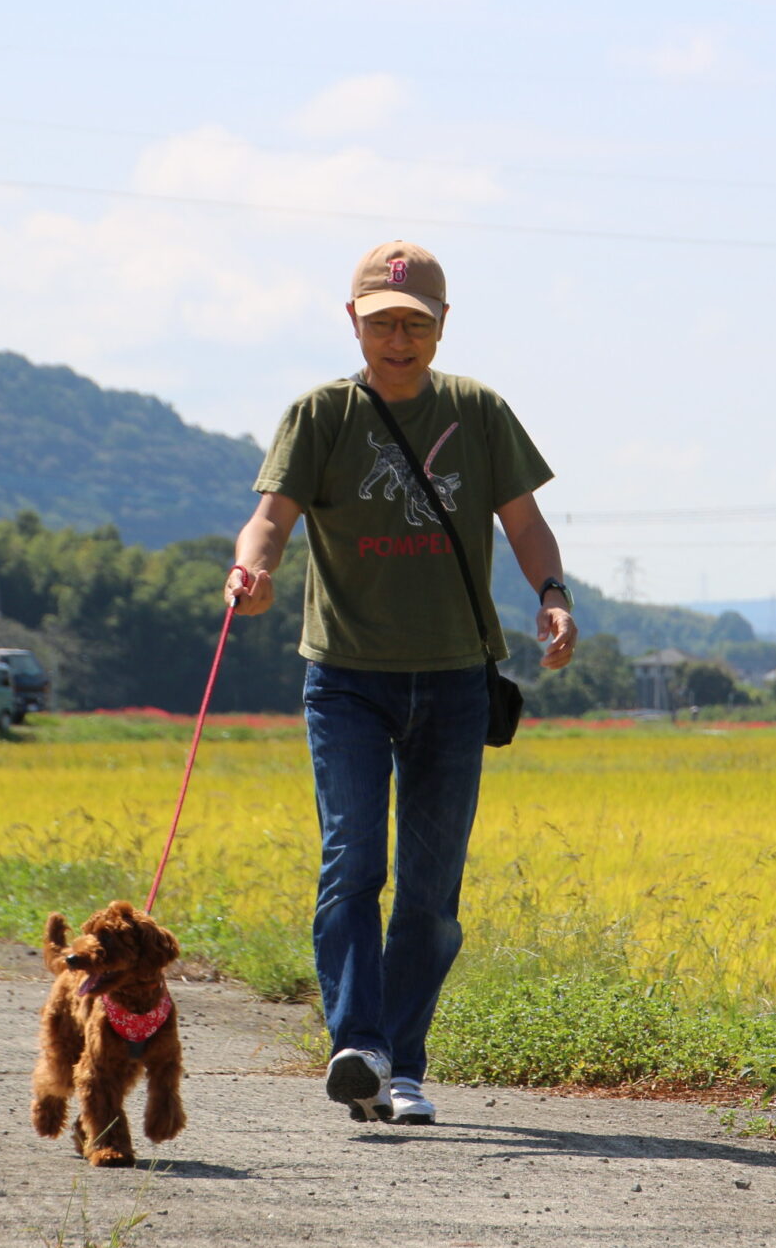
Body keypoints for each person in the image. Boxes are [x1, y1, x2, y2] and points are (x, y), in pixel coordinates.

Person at [225, 241, 577, 1126]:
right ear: (354, 321)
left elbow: (526, 522)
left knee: (430, 890)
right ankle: (359, 1048)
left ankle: (401, 1063)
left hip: (455, 680)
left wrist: (553, 595)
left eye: (414, 324)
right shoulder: (322, 415)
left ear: (442, 325)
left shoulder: (478, 411)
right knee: (354, 862)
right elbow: (269, 518)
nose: (398, 339)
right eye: (382, 322)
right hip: (346, 677)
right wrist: (252, 570)